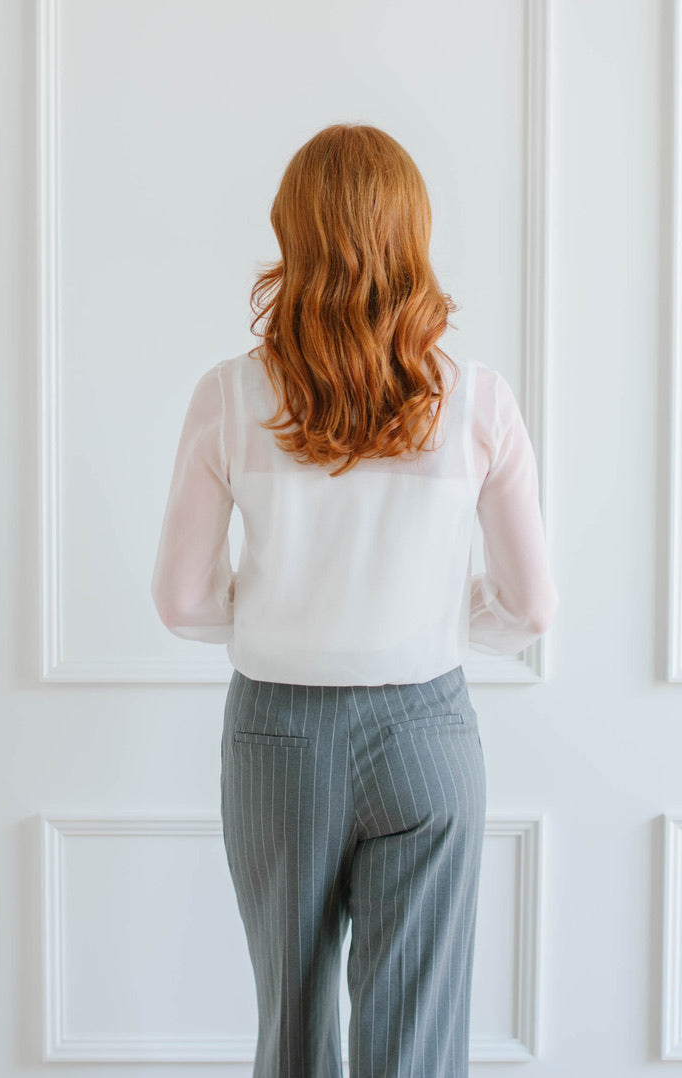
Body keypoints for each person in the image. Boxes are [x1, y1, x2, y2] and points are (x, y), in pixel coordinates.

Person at [151, 123, 559, 1078]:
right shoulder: (478, 400)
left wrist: (283, 611)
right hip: (427, 732)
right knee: (413, 1044)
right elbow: (532, 609)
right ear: (412, 235)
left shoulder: (228, 395)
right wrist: (434, 618)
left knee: (290, 1032)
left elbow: (181, 600)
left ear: (291, 234)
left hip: (275, 736)